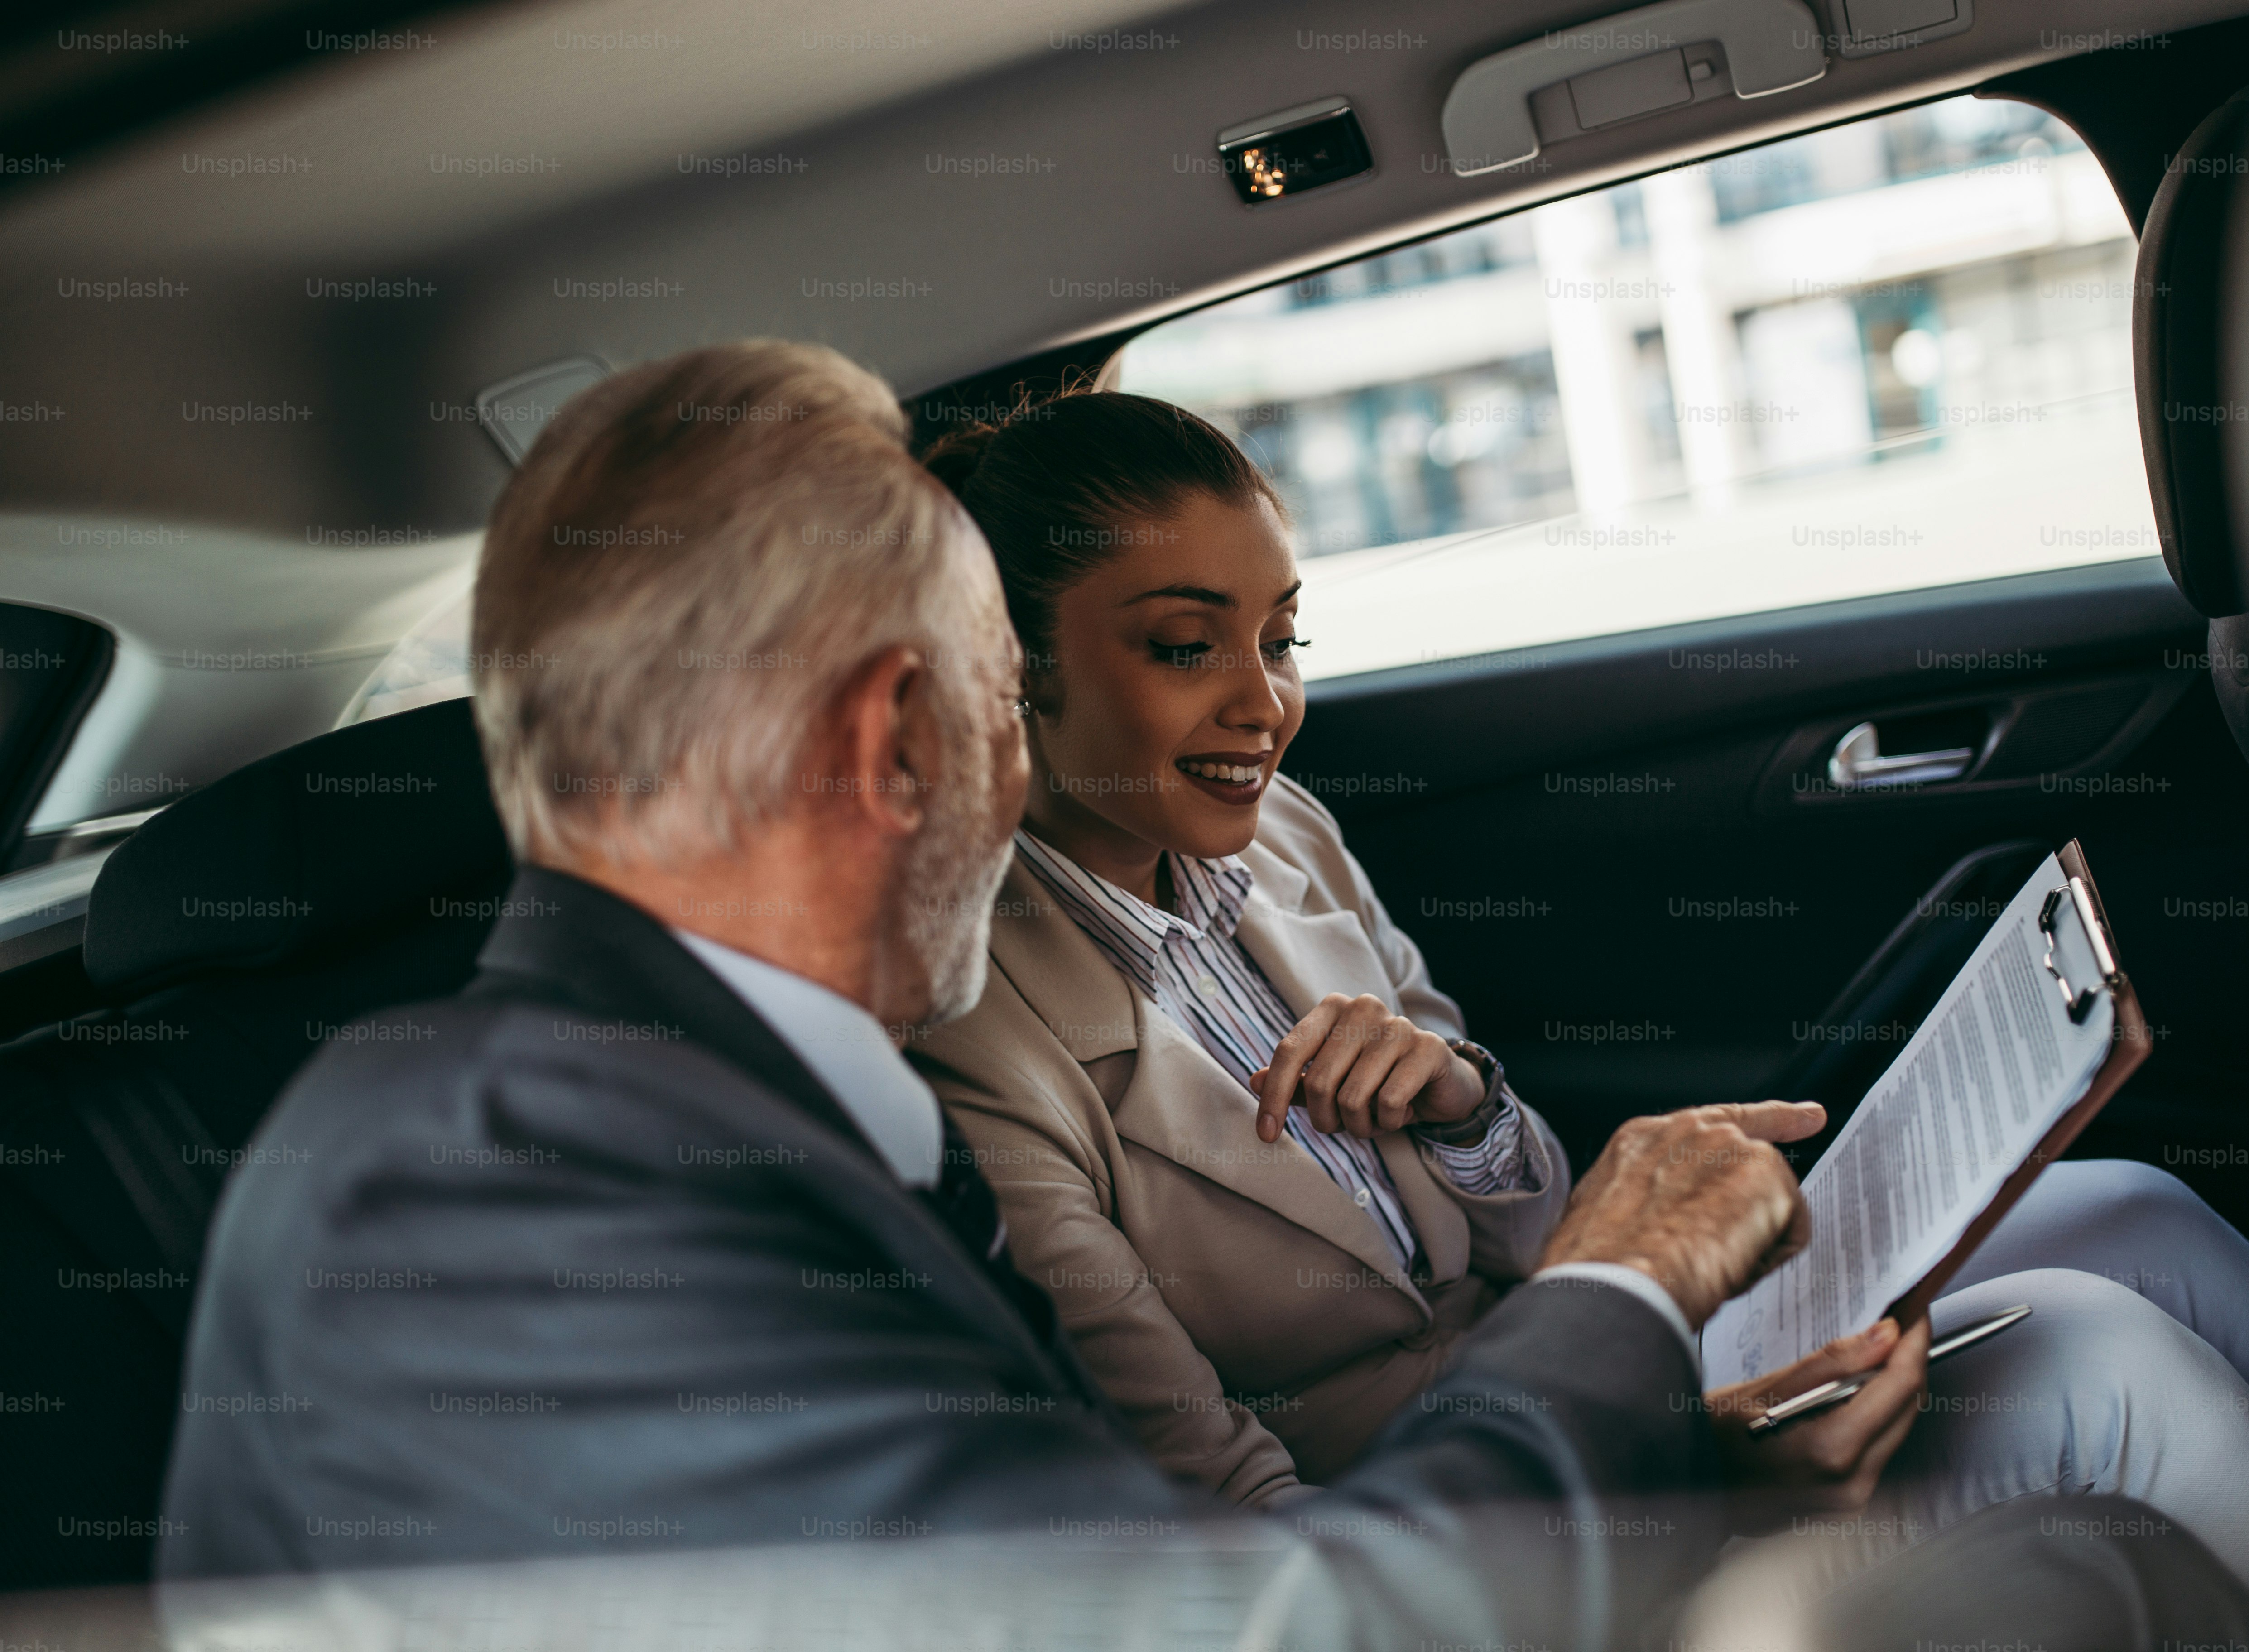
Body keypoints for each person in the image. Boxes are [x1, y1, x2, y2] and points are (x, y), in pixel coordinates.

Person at [152, 340, 1851, 1647]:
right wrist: (1628, 1283)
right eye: (1001, 698)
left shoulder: (681, 1109)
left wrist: (1670, 1462)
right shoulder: (499, 1180)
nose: (1024, 761)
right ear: (902, 736)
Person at [907, 389, 2249, 1652]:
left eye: (1282, 638)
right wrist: (1693, 1472)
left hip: (1568, 1358)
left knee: (2131, 1214)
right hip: (1478, 1539)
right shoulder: (975, 1042)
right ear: (1012, 675)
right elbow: (1251, 1551)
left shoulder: (1284, 833)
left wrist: (1460, 1105)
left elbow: (1533, 1234)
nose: (1266, 702)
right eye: (1189, 647)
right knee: (2101, 1360)